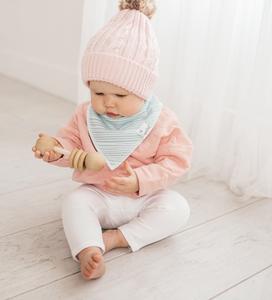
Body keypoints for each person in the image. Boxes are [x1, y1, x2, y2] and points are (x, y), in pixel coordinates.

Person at [32, 0, 193, 280]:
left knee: (178, 208)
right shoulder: (85, 114)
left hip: (145, 198)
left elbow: (176, 161)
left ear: (143, 91)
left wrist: (141, 180)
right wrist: (56, 150)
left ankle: (117, 238)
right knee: (74, 202)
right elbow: (71, 144)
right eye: (98, 93)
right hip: (99, 195)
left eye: (120, 96)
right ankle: (89, 250)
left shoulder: (161, 119)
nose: (108, 103)